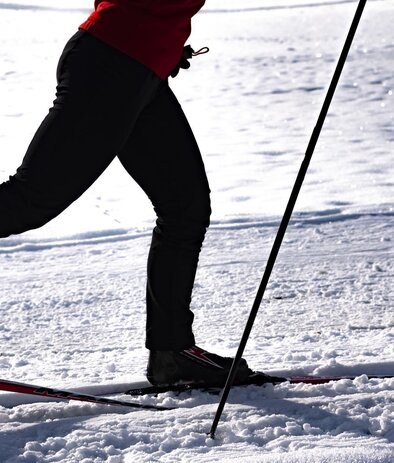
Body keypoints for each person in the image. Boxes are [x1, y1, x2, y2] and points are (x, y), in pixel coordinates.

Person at [0, 0, 253, 386]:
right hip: (111, 64)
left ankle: (172, 353)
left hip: (138, 68)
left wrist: (160, 44)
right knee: (28, 201)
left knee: (185, 208)